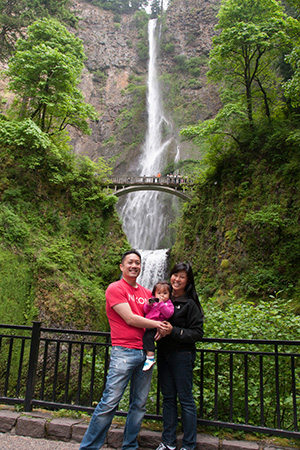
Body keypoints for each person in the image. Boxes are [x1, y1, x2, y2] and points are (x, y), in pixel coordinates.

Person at [79, 249, 165, 450]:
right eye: (130, 262)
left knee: (139, 405)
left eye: (137, 263)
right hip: (123, 352)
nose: (134, 266)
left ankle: (130, 446)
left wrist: (166, 326)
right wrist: (157, 325)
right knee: (110, 402)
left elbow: (158, 316)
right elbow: (130, 318)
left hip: (146, 354)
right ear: (122, 266)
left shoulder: (146, 293)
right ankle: (89, 447)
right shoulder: (115, 288)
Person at [155, 262, 204, 450]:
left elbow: (197, 333)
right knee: (168, 398)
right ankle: (168, 442)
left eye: (182, 277)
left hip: (182, 355)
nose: (177, 279)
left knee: (185, 399)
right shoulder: (163, 299)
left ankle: (189, 444)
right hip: (164, 354)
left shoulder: (190, 304)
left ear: (188, 281)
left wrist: (173, 331)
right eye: (175, 275)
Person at [142, 281, 174, 371]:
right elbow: (145, 310)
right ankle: (148, 356)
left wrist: (160, 304)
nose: (161, 295)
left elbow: (168, 314)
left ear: (169, 294)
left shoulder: (168, 304)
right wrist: (148, 304)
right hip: (148, 324)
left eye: (165, 293)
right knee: (146, 338)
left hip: (158, 326)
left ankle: (150, 358)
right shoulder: (153, 302)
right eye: (159, 293)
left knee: (148, 338)